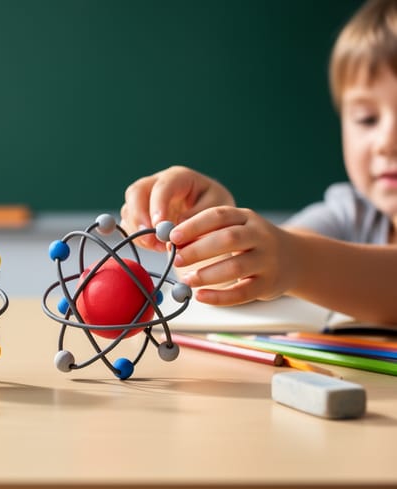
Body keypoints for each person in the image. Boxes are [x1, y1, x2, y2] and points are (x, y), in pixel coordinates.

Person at [120, 0, 397, 325]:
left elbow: (294, 259)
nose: (386, 142)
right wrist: (213, 234)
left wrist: (296, 262)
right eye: (366, 119)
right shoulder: (349, 214)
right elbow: (256, 274)